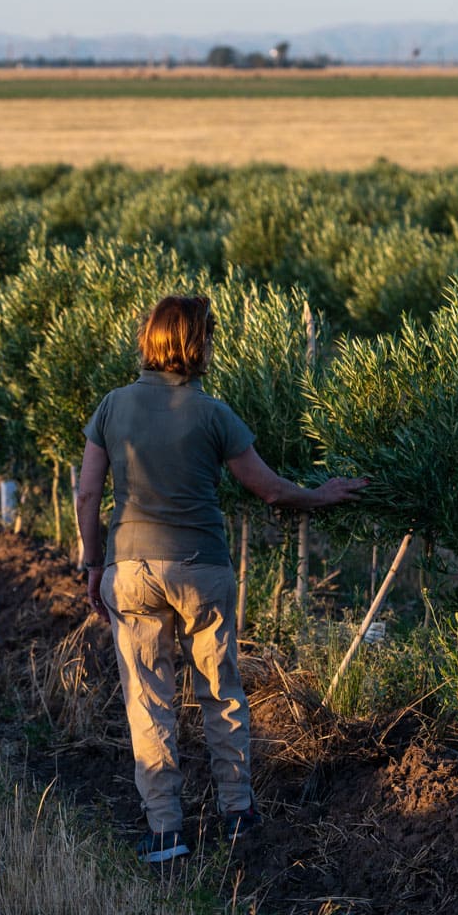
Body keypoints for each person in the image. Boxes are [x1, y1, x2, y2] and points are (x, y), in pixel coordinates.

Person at [75, 294, 365, 865]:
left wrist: (91, 562)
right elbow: (271, 489)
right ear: (195, 343)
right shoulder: (213, 413)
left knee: (148, 700)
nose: (212, 345)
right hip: (201, 568)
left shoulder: (112, 407)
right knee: (221, 691)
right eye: (208, 335)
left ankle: (165, 832)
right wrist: (321, 496)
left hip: (129, 569)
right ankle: (237, 813)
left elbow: (87, 493)